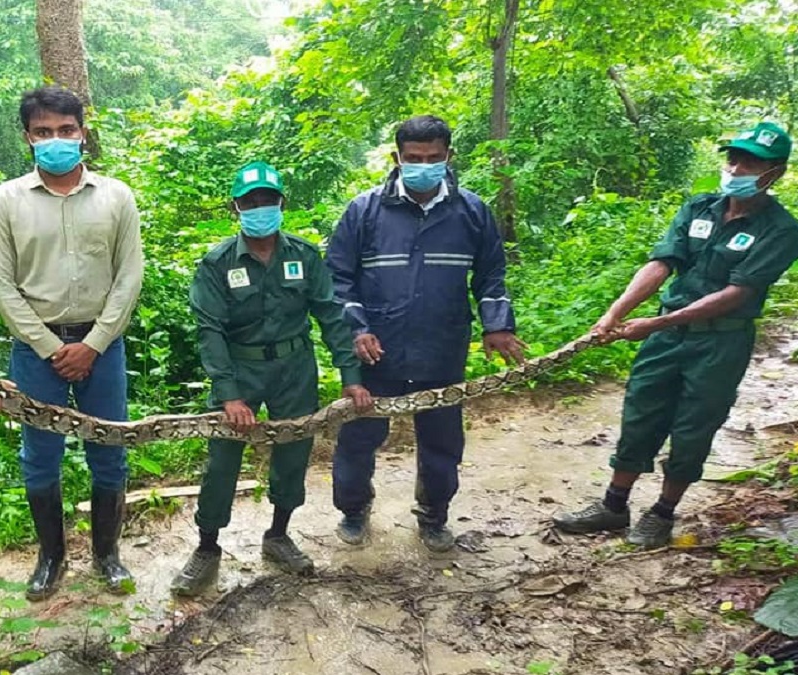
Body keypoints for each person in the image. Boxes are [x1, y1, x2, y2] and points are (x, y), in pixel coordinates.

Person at [554, 122, 798, 548]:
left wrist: (659, 322)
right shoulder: (700, 208)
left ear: (773, 172)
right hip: (665, 340)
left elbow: (737, 293)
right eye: (733, 158)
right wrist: (614, 314)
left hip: (720, 342)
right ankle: (614, 506)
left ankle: (662, 513)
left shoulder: (781, 230)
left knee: (693, 426)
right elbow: (661, 264)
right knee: (640, 413)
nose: (736, 167)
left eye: (750, 162)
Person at [170, 161, 373, 596]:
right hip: (239, 371)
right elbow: (210, 332)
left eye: (267, 199)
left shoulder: (303, 255)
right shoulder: (217, 264)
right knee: (223, 460)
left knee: (293, 453)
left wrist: (351, 375)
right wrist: (228, 395)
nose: (259, 207)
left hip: (294, 369)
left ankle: (279, 535)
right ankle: (207, 547)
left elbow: (332, 317)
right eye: (250, 201)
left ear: (282, 203)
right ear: (236, 207)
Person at [326, 115, 526, 552]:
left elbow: (491, 275)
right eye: (413, 158)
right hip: (377, 353)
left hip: (442, 348)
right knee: (359, 437)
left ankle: (434, 514)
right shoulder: (365, 211)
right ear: (397, 158)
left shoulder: (472, 212)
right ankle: (354, 510)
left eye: (433, 158)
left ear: (449, 156)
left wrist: (497, 326)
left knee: (441, 440)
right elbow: (338, 279)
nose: (423, 165)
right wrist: (358, 330)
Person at [0, 86, 144, 600]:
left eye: (66, 130)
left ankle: (107, 555)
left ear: (82, 132)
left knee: (110, 450)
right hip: (36, 351)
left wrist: (94, 343)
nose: (56, 140)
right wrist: (52, 348)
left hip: (103, 346)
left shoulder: (116, 196)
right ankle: (51, 559)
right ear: (28, 138)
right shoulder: (5, 200)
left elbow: (129, 276)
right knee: (40, 455)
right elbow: (1, 286)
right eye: (44, 132)